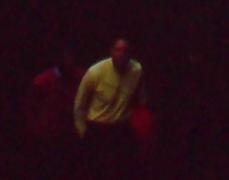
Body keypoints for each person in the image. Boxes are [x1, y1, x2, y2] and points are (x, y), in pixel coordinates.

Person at [73, 39, 144, 175]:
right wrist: (83, 132)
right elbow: (80, 106)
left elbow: (140, 99)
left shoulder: (136, 70)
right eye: (118, 50)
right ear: (111, 52)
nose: (121, 54)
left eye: (125, 51)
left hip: (120, 129)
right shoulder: (95, 72)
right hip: (98, 129)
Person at [23, 49, 82, 174]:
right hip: (50, 137)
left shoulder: (82, 78)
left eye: (68, 56)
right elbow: (31, 109)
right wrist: (38, 131)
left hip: (75, 137)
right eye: (63, 56)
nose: (66, 60)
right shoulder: (42, 82)